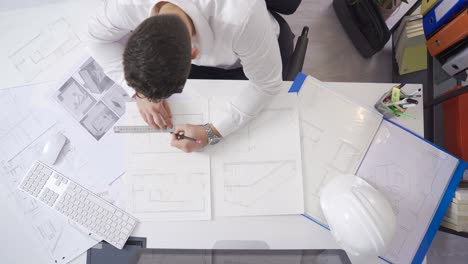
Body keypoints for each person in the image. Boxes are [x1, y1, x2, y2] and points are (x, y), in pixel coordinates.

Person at [87, 0, 301, 152]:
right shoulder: (126, 5)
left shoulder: (242, 17)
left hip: (250, 53)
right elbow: (97, 39)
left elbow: (267, 85)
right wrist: (139, 93)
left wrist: (212, 132)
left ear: (194, 55)